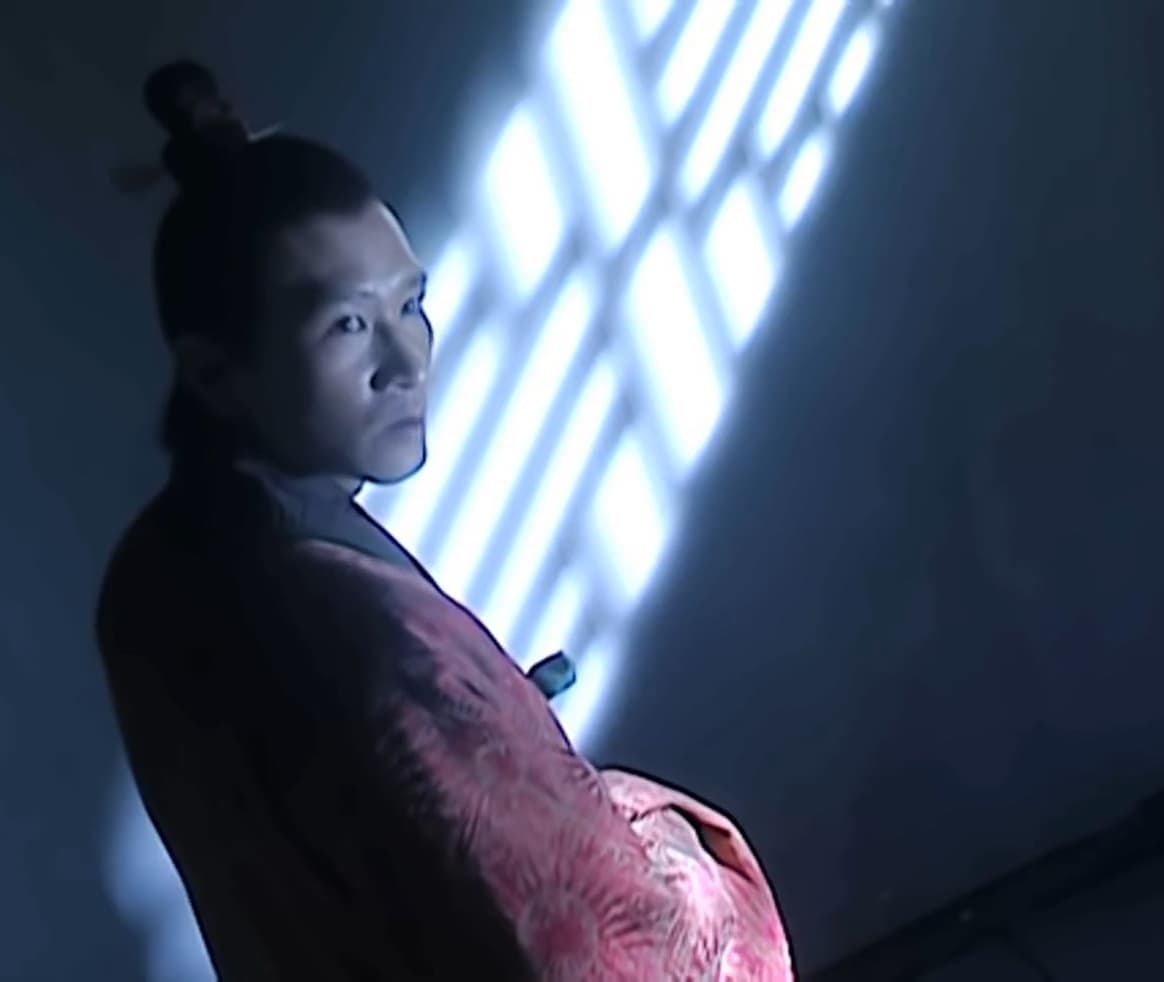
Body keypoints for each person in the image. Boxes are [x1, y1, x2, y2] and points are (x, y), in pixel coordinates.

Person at [95, 61, 792, 980]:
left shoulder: (149, 574)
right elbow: (623, 951)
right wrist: (638, 817)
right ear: (216, 372)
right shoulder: (370, 640)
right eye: (347, 326)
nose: (407, 359)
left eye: (411, 304)